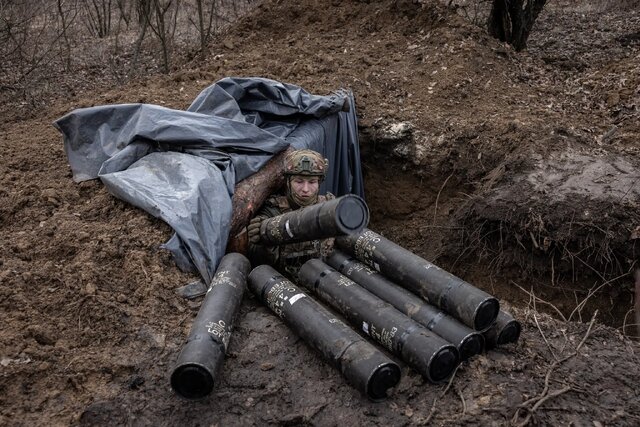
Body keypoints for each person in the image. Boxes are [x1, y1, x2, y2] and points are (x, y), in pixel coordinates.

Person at [247, 149, 334, 277]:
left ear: (319, 182)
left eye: (312, 182)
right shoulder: (272, 211)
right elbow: (257, 260)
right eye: (299, 181)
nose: (305, 189)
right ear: (288, 182)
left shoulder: (329, 207)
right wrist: (260, 240)